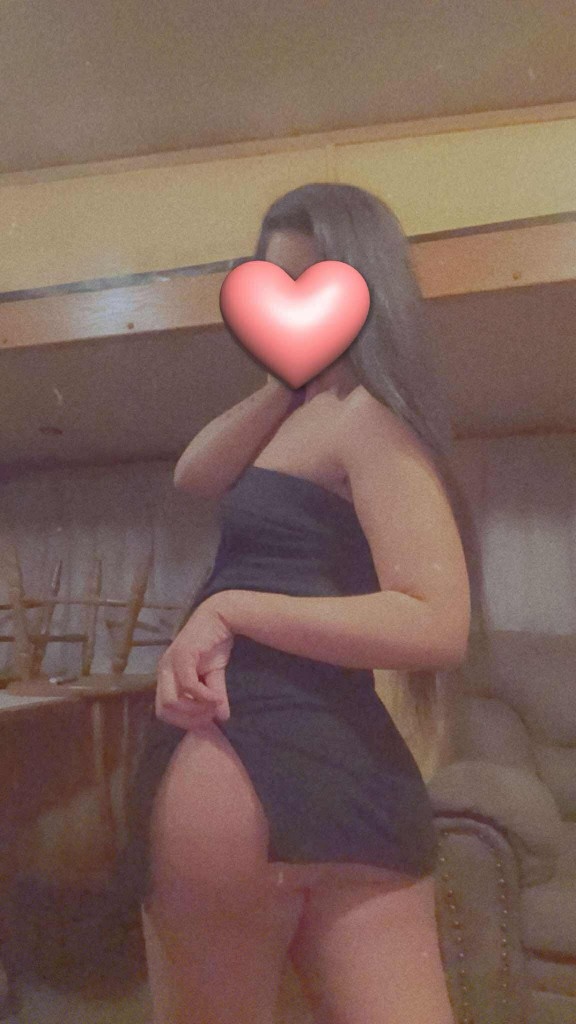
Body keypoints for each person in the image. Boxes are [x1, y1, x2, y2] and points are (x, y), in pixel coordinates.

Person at [124, 183, 487, 1024]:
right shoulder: (304, 416)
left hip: (247, 755)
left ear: (366, 292)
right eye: (273, 286)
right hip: (342, 772)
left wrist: (232, 609)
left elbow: (436, 621)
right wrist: (283, 381)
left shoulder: (366, 421)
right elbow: (194, 472)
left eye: (308, 285)